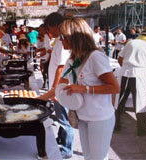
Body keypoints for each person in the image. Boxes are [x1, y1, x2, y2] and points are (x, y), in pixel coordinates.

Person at [59, 17, 120, 160]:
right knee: (88, 157)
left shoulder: (95, 57)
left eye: (62, 37)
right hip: (83, 116)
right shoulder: (72, 60)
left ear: (74, 37)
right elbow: (60, 85)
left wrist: (83, 89)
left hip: (100, 118)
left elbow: (114, 87)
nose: (59, 40)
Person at [115, 26, 146, 136]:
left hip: (125, 73)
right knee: (140, 101)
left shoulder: (131, 43)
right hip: (139, 75)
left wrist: (127, 67)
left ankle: (115, 125)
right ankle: (142, 129)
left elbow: (120, 58)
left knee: (120, 100)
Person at [38, 12, 73, 159]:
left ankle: (67, 149)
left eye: (48, 28)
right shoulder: (58, 40)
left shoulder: (63, 41)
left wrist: (54, 89)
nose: (48, 31)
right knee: (60, 117)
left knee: (65, 120)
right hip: (56, 87)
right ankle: (61, 139)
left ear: (55, 26)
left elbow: (61, 67)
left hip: (60, 87)